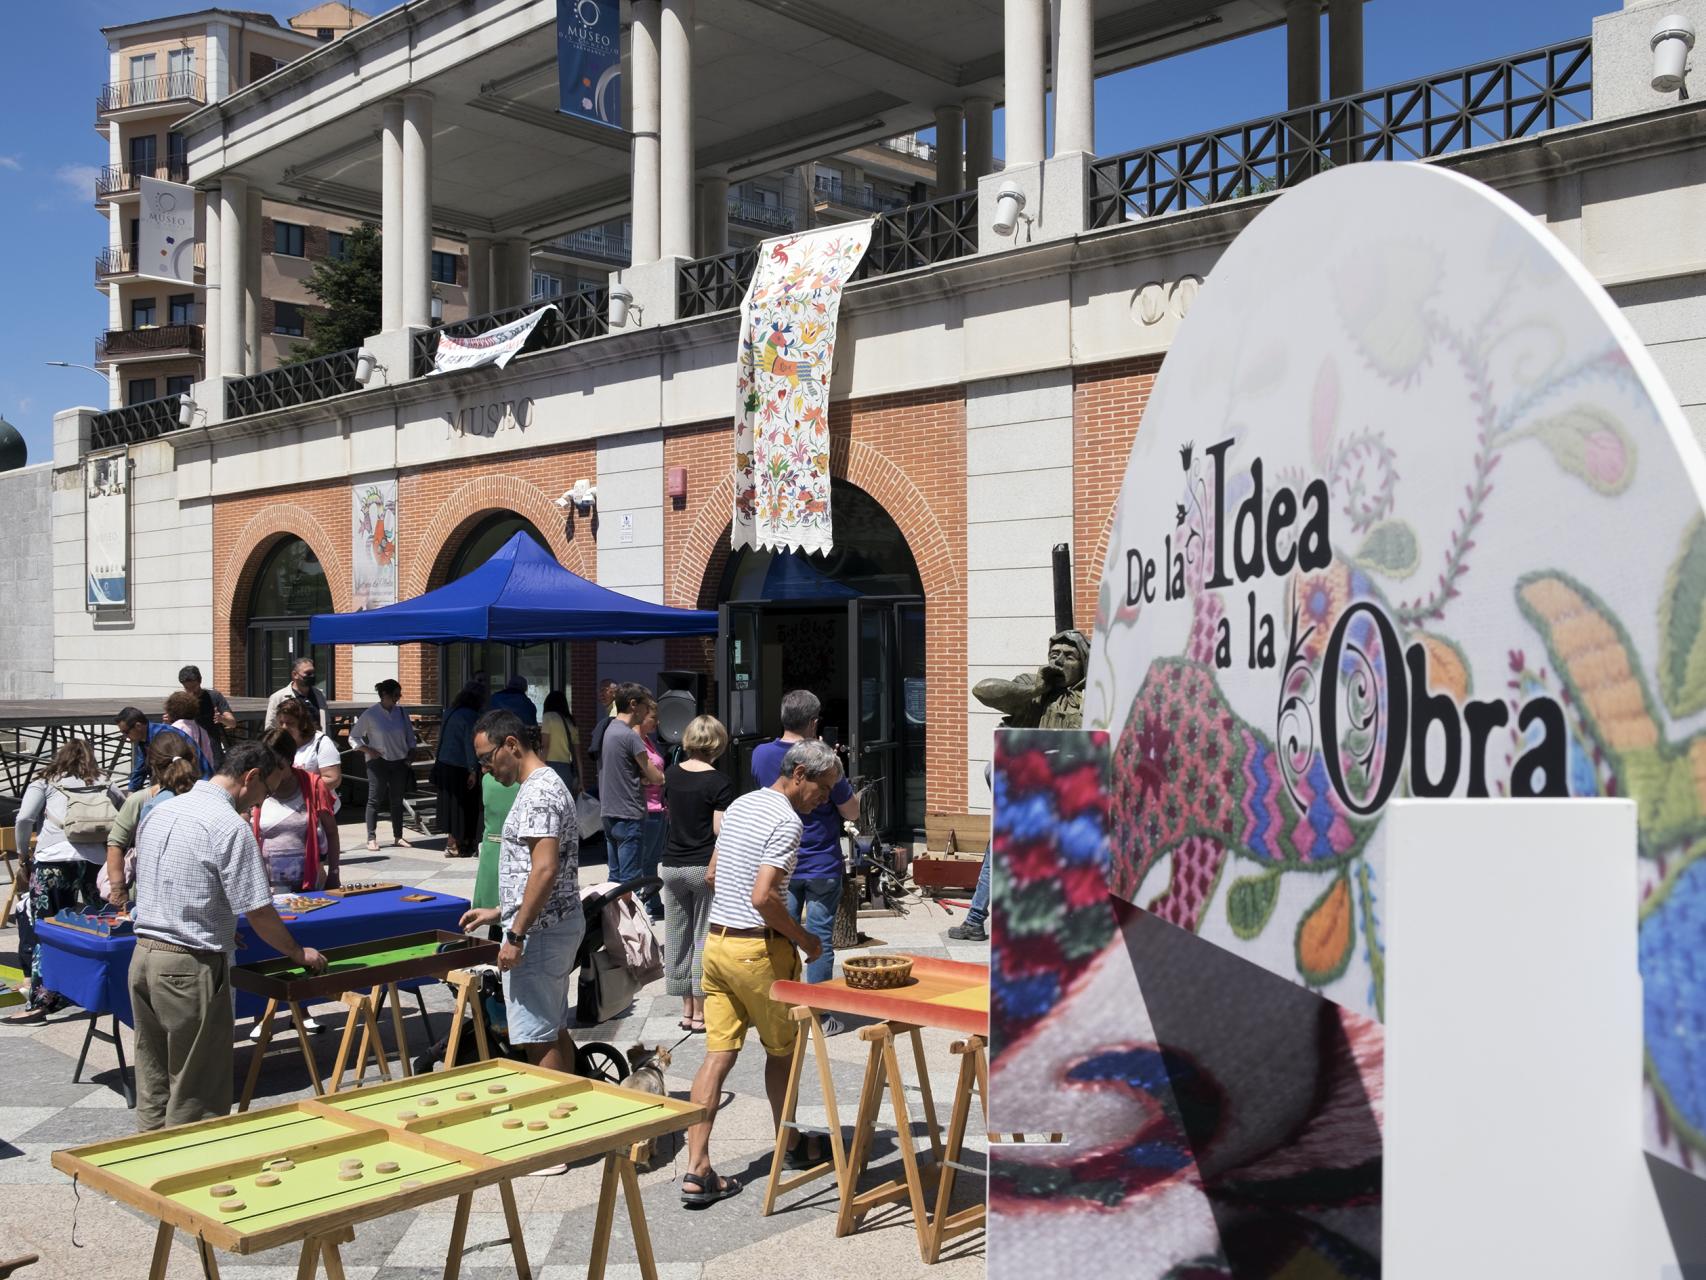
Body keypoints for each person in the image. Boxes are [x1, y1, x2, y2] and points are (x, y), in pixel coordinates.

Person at [128, 741, 327, 1130]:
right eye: (266, 791)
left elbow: (170, 884)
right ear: (250, 777)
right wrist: (297, 952)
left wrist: (215, 922)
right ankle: (187, 1173)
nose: (262, 802)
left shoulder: (162, 809)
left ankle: (147, 1166)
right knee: (196, 1087)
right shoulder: (229, 825)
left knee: (153, 1078)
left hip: (144, 957)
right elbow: (260, 912)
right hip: (189, 966)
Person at [682, 738, 839, 1205]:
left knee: (717, 1056)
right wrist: (806, 939)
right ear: (799, 775)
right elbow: (763, 897)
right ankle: (787, 1144)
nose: (825, 799)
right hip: (758, 952)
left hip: (716, 944)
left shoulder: (741, 804)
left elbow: (713, 875)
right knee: (782, 1054)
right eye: (824, 789)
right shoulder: (787, 822)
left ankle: (696, 1169)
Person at [459, 710, 584, 1147]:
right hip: (548, 923)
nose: (486, 768)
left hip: (540, 932)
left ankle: (553, 1140)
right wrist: (500, 911)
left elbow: (545, 869)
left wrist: (514, 934)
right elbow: (540, 870)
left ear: (512, 744)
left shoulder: (537, 794)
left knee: (536, 1035)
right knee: (551, 1025)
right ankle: (569, 1117)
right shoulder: (543, 786)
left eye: (488, 757)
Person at [7, 742, 123, 1023]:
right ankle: (107, 991)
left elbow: (24, 817)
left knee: (45, 930)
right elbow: (126, 810)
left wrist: (23, 853)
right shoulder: (104, 780)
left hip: (53, 862)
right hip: (96, 862)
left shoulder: (46, 780)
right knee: (105, 927)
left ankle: (40, 1003)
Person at [750, 689, 860, 986]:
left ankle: (785, 1003)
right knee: (819, 936)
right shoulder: (824, 760)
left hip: (779, 861)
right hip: (821, 861)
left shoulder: (760, 755)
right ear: (813, 722)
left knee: (781, 934)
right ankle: (819, 1015)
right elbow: (851, 812)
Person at [661, 715, 735, 1034]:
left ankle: (685, 1009)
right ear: (717, 744)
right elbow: (719, 828)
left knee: (677, 936)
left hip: (671, 864)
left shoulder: (671, 775)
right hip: (703, 865)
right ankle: (702, 1011)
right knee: (704, 935)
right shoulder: (720, 782)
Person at [103, 732, 200, 910]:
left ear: (152, 766)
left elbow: (115, 844)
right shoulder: (205, 798)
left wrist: (118, 889)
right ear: (192, 759)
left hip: (149, 899)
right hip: (196, 896)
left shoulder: (143, 801)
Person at [254, 728, 341, 892]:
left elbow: (331, 832)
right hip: (267, 888)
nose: (271, 769)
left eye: (277, 763)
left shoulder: (313, 785)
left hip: (309, 885)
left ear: (289, 758)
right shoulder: (256, 785)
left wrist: (334, 873)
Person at [600, 684, 663, 887]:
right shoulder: (631, 737)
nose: (647, 712)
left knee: (614, 880)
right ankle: (630, 919)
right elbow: (656, 777)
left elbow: (623, 771)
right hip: (629, 815)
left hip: (609, 812)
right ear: (634, 705)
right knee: (630, 883)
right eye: (645, 707)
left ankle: (613, 919)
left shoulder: (609, 730)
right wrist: (659, 776)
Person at [350, 679, 417, 852]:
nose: (398, 698)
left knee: (397, 800)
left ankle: (398, 836)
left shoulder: (402, 712)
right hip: (378, 762)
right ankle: (371, 838)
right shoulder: (371, 714)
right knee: (375, 799)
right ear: (384, 695)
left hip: (400, 761)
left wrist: (411, 752)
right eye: (395, 695)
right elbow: (354, 736)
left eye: (399, 695)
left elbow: (410, 735)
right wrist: (368, 750)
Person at [434, 686, 485, 858]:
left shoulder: (449, 712)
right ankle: (457, 844)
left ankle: (451, 842)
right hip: (460, 766)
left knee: (450, 806)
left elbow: (440, 738)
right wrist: (473, 770)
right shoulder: (470, 716)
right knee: (463, 808)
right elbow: (470, 744)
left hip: (444, 763)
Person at [474, 767, 521, 928]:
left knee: (493, 921)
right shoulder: (523, 783)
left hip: (491, 851)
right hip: (516, 854)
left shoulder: (487, 780)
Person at [116, 705, 197, 795]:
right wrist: (132, 792)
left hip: (188, 785)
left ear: (138, 726)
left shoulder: (163, 736)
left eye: (126, 732)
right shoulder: (142, 741)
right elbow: (140, 769)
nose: (125, 737)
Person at [274, 698, 343, 798]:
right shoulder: (276, 743)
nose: (284, 727)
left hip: (315, 808)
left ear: (303, 724)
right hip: (283, 807)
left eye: (290, 723)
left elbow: (333, 780)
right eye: (281, 723)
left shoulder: (321, 743)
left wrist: (296, 790)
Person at [637, 703, 669, 922]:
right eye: (653, 717)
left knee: (652, 861)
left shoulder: (649, 741)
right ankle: (646, 903)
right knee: (645, 861)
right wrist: (657, 778)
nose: (657, 722)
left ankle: (653, 902)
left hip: (659, 808)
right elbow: (637, 775)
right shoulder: (635, 742)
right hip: (646, 809)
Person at [179, 665, 236, 766]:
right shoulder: (181, 701)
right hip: (190, 752)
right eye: (187, 688)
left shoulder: (214, 696)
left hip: (213, 751)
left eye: (194, 687)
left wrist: (222, 719)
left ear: (200, 681)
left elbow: (232, 723)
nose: (191, 692)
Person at [265, 657, 329, 736]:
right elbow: (270, 727)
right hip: (291, 745)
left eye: (313, 672)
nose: (312, 676)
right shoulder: (278, 697)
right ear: (295, 674)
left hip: (316, 744)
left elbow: (325, 723)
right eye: (308, 673)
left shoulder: (319, 695)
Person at [163, 690, 216, 778]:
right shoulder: (201, 730)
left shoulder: (174, 729)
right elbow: (209, 758)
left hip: (180, 777)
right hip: (200, 776)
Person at [541, 690, 580, 794]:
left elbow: (545, 746)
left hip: (550, 767)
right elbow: (578, 756)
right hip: (567, 770)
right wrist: (582, 781)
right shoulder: (571, 722)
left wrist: (539, 768)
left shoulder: (548, 717)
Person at [585, 679, 619, 795]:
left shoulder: (616, 710)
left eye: (605, 690)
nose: (601, 694)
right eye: (599, 691)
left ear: (615, 692)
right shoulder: (610, 709)